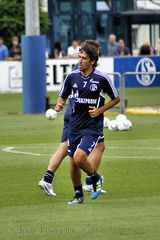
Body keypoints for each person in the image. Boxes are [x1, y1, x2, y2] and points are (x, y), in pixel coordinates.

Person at [55, 43, 120, 205]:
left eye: (84, 58)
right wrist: (59, 104)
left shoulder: (101, 78)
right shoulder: (72, 77)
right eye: (79, 57)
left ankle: (95, 177)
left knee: (79, 157)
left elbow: (116, 99)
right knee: (72, 162)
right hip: (74, 125)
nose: (80, 61)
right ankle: (78, 195)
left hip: (92, 126)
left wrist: (100, 110)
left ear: (92, 61)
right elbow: (62, 95)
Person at [39, 40, 106, 196]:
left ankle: (49, 178)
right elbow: (68, 92)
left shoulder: (85, 69)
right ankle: (90, 181)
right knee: (71, 148)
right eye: (97, 50)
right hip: (82, 116)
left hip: (77, 114)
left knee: (82, 147)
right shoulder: (82, 69)